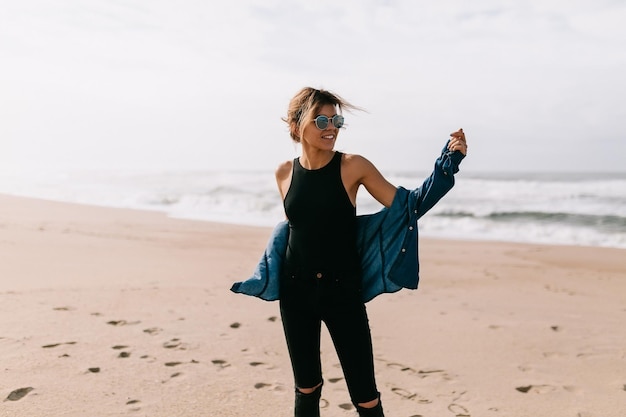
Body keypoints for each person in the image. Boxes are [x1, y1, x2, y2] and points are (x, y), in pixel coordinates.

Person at [231, 87, 467, 417]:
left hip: (342, 292)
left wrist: (448, 163)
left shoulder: (352, 166)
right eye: (322, 119)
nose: (332, 127)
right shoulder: (284, 172)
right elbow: (299, 229)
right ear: (298, 125)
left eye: (337, 119)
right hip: (295, 292)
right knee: (306, 388)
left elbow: (409, 206)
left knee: (365, 396)